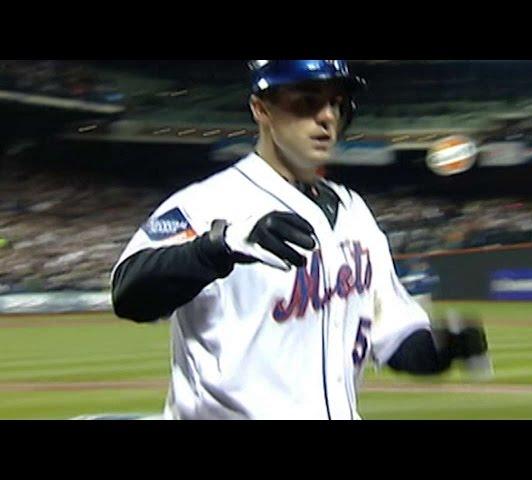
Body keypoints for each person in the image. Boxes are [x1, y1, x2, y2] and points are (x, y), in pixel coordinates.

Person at [111, 60, 490, 420]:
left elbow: (393, 336)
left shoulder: (354, 211)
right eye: (307, 102)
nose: (326, 117)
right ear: (262, 109)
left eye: (335, 103)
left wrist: (442, 348)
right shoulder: (208, 203)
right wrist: (218, 246)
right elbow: (129, 292)